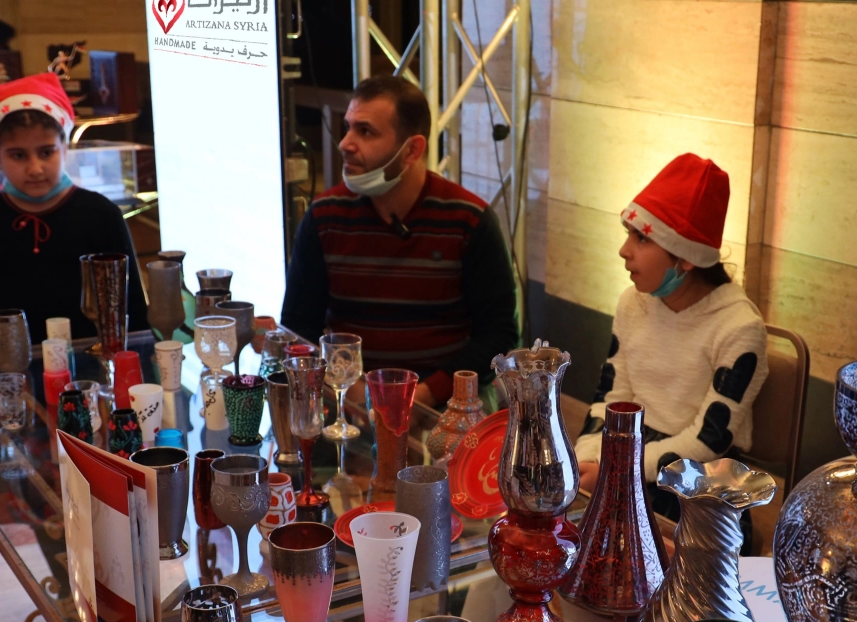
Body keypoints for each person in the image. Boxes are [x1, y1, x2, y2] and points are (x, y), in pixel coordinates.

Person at [281, 75, 518, 405]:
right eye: (348, 127)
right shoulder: (325, 216)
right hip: (348, 400)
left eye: (365, 131)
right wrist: (351, 392)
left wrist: (426, 395)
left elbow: (499, 334)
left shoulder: (469, 219)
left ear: (411, 150)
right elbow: (298, 327)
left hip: (445, 405)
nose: (345, 143)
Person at [574, 154, 768, 516]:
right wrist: (587, 457)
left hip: (701, 486)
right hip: (628, 459)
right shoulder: (633, 302)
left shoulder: (739, 327)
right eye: (628, 234)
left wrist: (616, 471)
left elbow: (708, 441)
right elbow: (612, 396)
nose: (624, 250)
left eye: (642, 239)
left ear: (686, 257)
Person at [0, 72, 148, 344]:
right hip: (11, 366)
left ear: (65, 149)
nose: (35, 169)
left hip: (92, 362)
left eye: (46, 152)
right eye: (18, 155)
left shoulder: (101, 214)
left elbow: (132, 309)